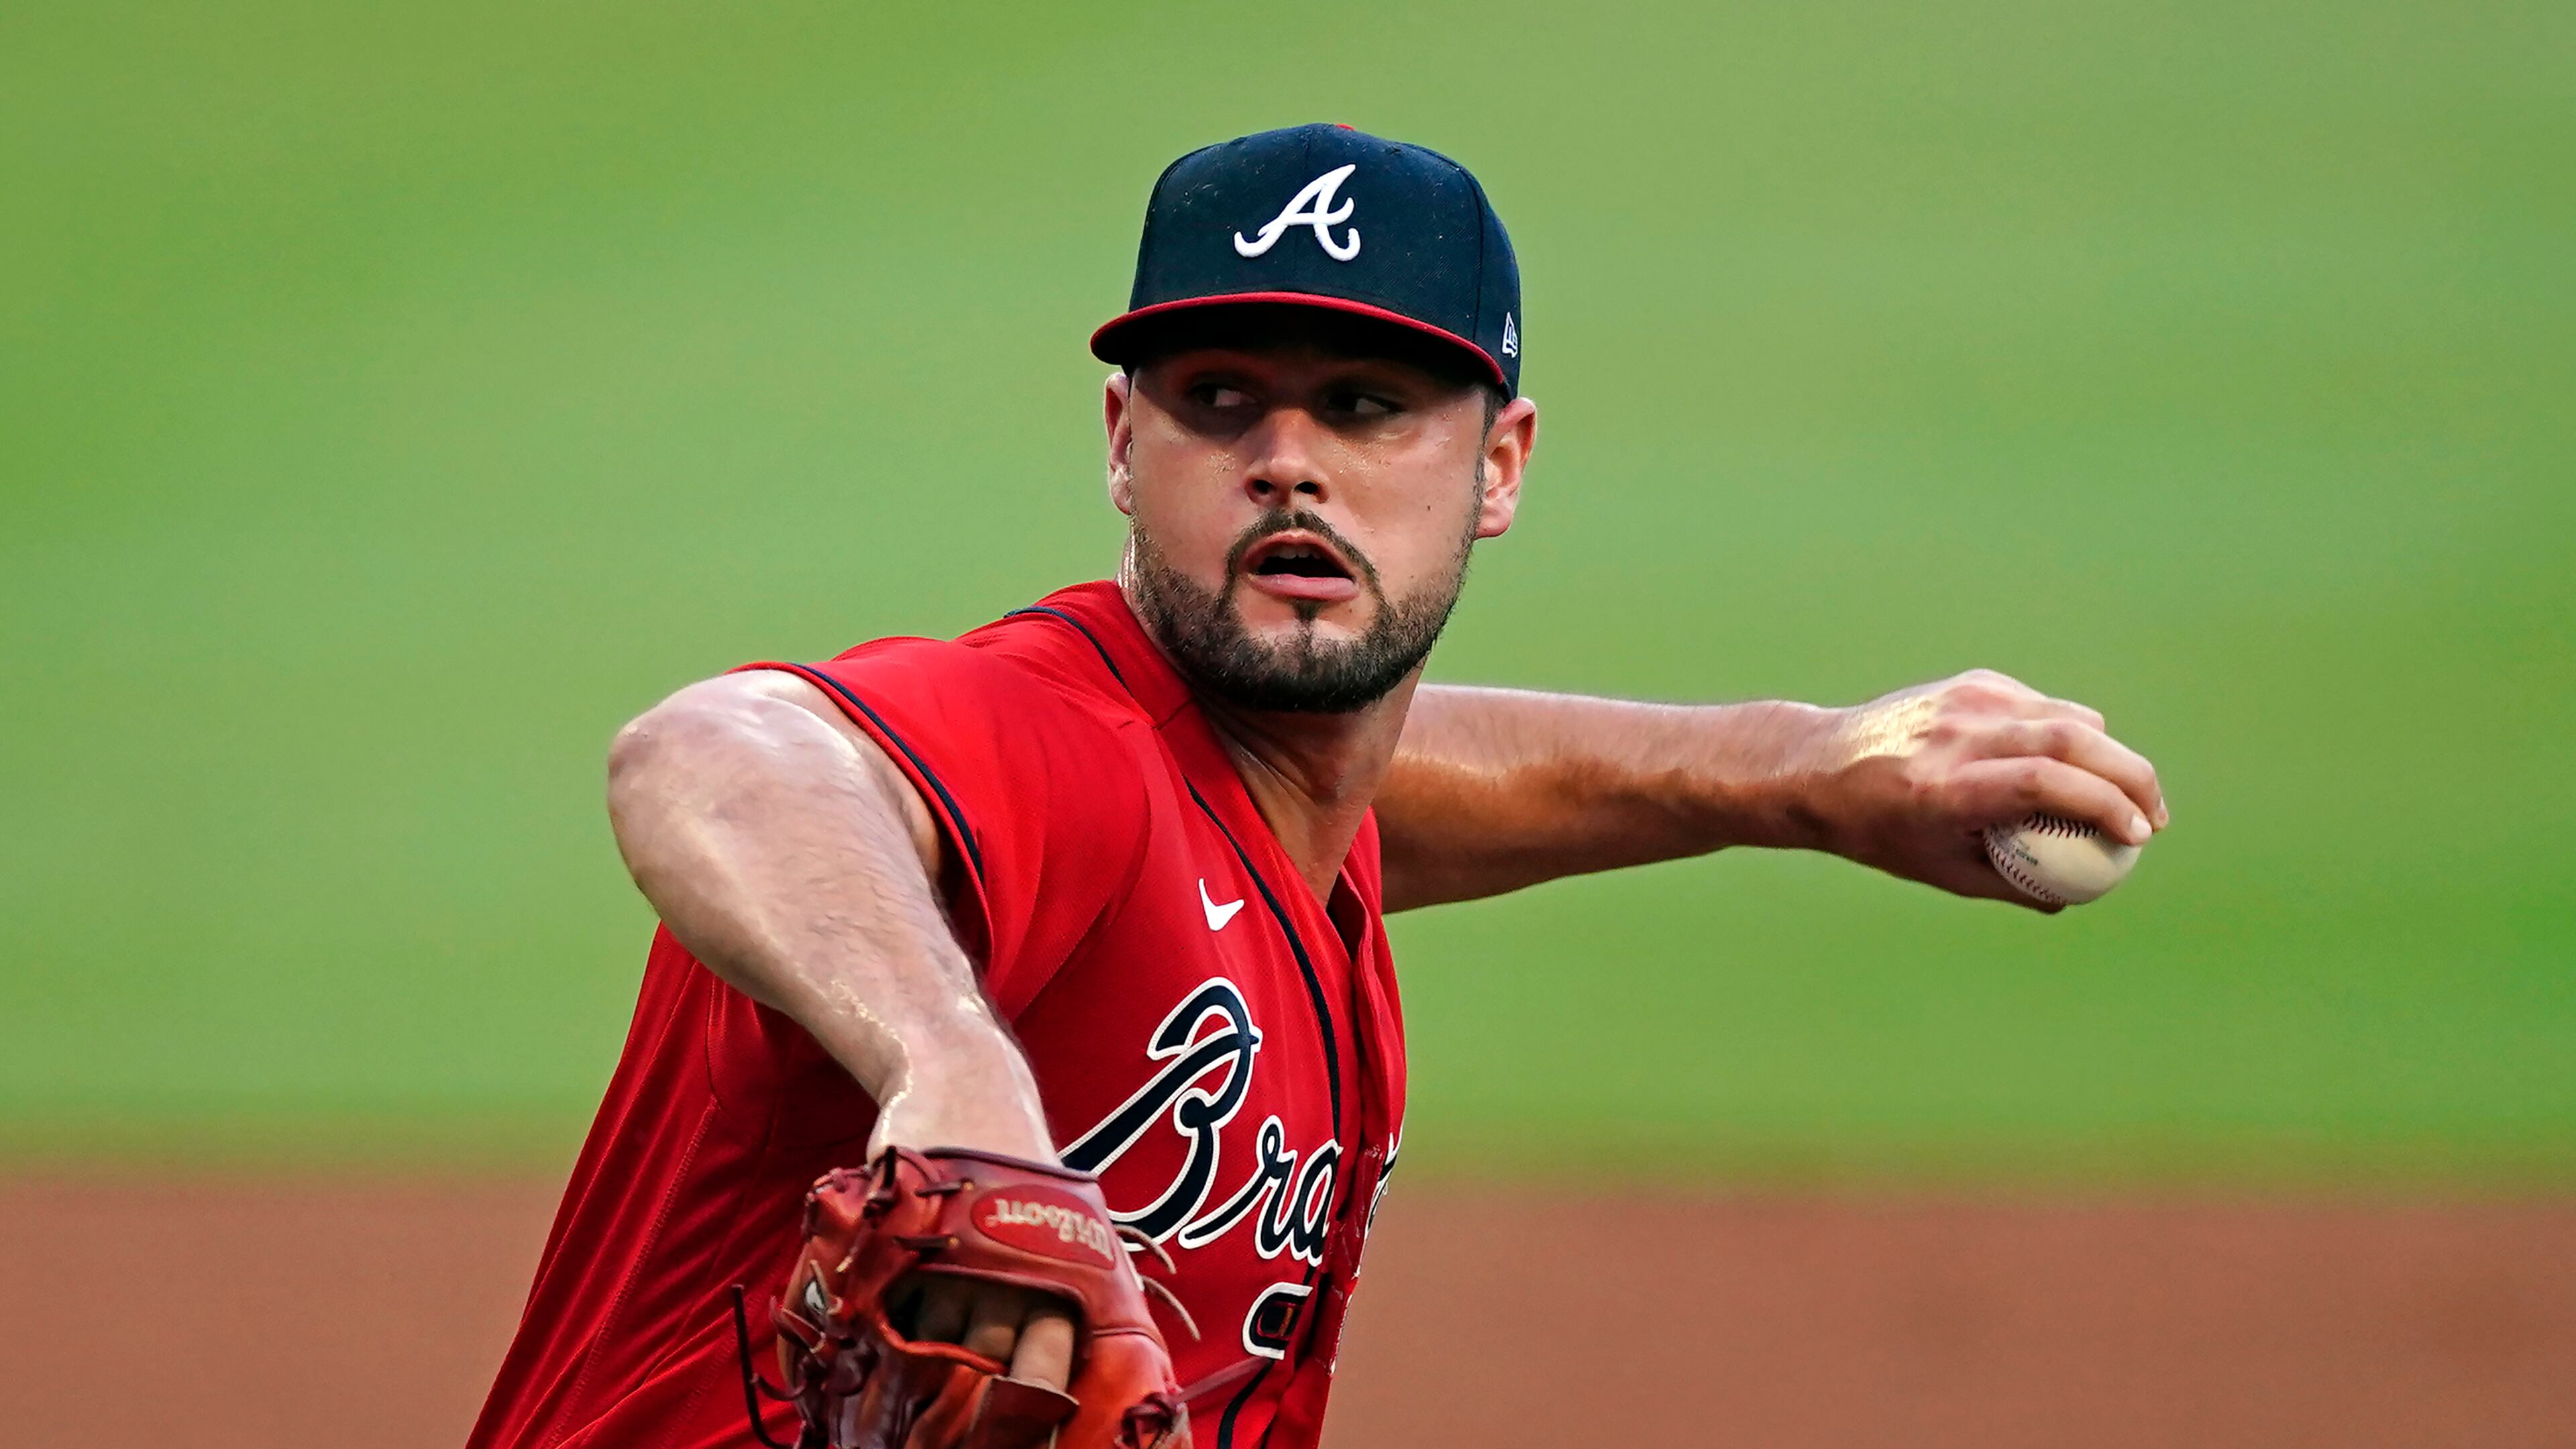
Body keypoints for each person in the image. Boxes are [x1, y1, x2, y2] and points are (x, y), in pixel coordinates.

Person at [468, 123, 2167, 1449]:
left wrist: (1802, 770)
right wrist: (950, 1065)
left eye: (1367, 407)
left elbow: (1386, 791)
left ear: (1498, 467)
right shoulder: (1059, 749)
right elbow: (723, 752)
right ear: (1123, 446)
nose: (1289, 461)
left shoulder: (1292, 808)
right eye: (1221, 403)